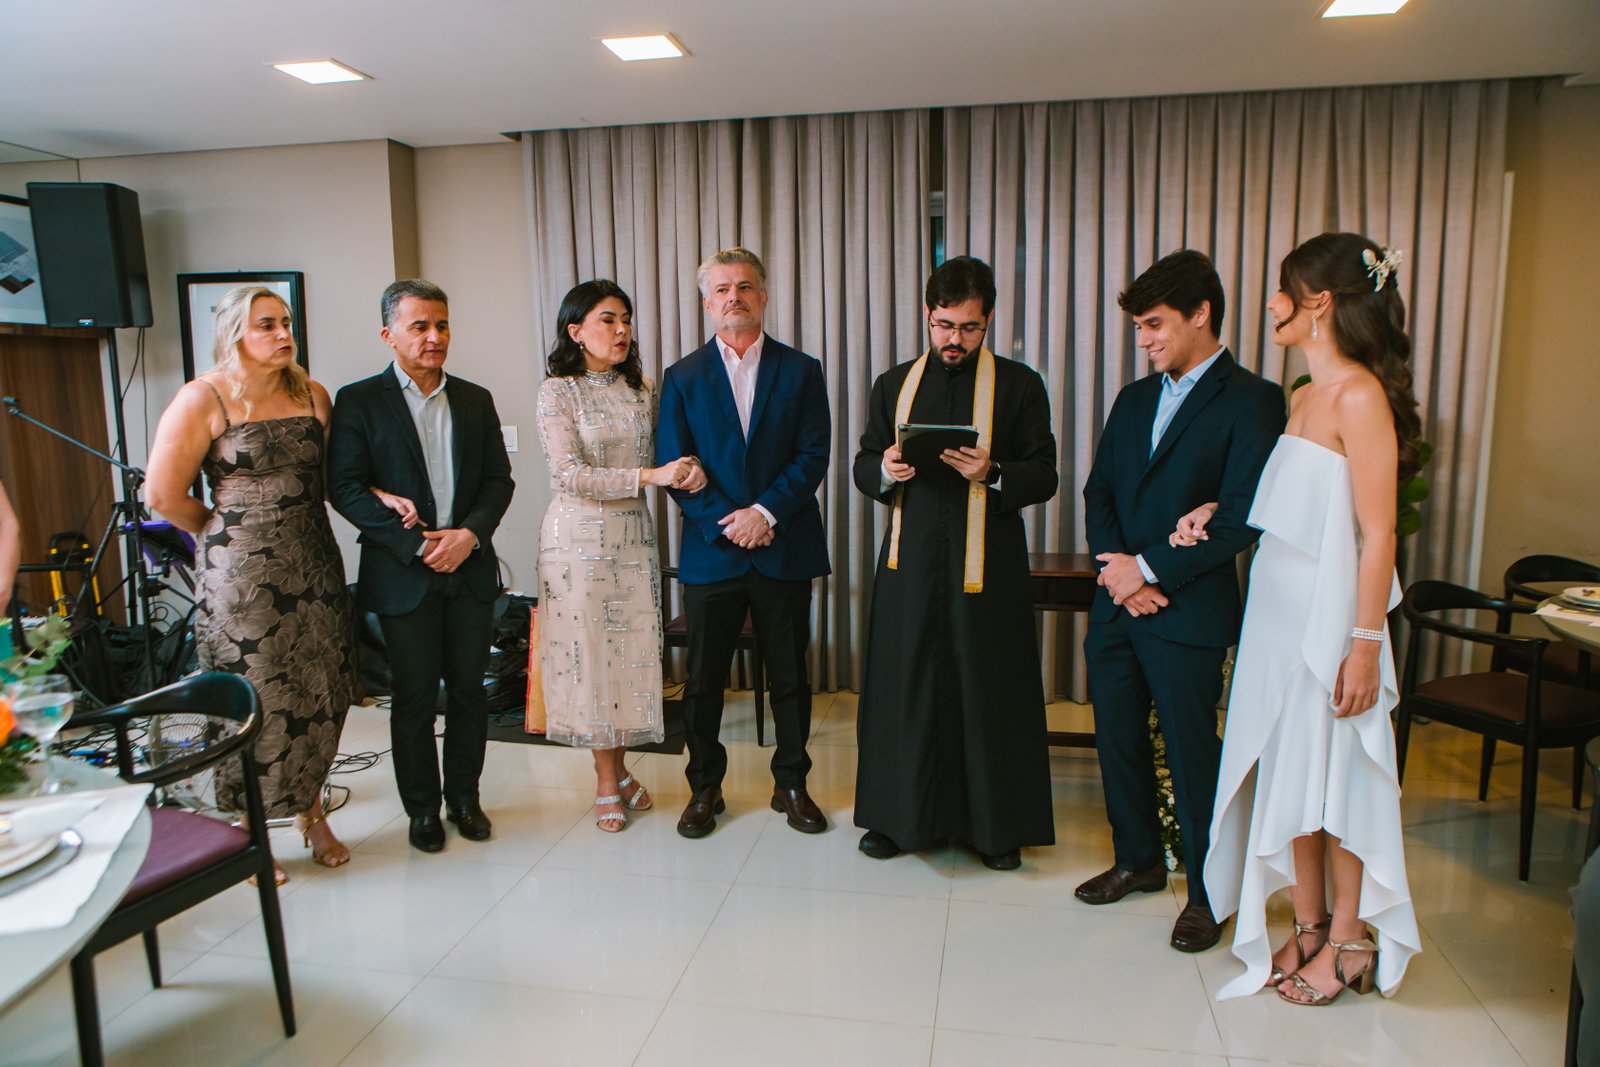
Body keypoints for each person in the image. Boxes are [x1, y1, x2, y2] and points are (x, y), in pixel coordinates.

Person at [1198, 232, 1422, 1003]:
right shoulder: (1301, 397)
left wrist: (1364, 645)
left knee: (1339, 776)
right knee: (1289, 768)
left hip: (1332, 618)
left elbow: (1379, 533)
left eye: (1283, 290)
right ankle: (1310, 919)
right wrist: (1211, 512)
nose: (1271, 304)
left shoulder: (1359, 395)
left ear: (1319, 301)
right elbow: (1296, 504)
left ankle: (1351, 938)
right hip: (1276, 613)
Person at [1079, 249, 1285, 952]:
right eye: (1139, 327)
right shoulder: (1133, 399)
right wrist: (1120, 575)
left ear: (1202, 313)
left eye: (1155, 324)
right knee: (1119, 739)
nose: (1144, 340)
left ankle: (1206, 891)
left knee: (1193, 754)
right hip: (1117, 606)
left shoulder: (1254, 399)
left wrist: (1148, 571)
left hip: (1188, 610)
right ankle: (1137, 860)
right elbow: (1100, 492)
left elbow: (1241, 517)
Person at [851, 255, 1059, 871]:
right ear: (927, 315)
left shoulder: (1020, 386)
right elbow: (863, 462)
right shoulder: (893, 383)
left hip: (987, 567)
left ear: (989, 318)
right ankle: (895, 818)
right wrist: (884, 469)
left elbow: (1045, 473)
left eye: (970, 328)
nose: (955, 340)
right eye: (944, 325)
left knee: (988, 686)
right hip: (909, 564)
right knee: (904, 685)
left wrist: (993, 471)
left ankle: (996, 828)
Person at [146, 285, 357, 883]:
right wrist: (225, 532)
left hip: (312, 560)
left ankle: (311, 810)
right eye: (267, 324)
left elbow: (334, 479)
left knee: (318, 688)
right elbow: (162, 494)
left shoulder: (313, 394)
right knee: (257, 694)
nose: (284, 333)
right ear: (235, 332)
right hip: (241, 576)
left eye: (285, 322)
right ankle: (248, 827)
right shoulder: (202, 397)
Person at [327, 279, 514, 854]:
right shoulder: (359, 401)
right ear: (389, 335)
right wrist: (415, 547)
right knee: (412, 697)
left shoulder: (475, 399)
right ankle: (422, 810)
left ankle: (465, 799)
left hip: (469, 570)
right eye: (420, 326)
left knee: (469, 693)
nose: (435, 337)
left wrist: (468, 536)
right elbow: (345, 487)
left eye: (442, 325)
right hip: (402, 575)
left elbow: (498, 481)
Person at [655, 247, 831, 839]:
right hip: (713, 549)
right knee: (705, 680)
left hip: (784, 544)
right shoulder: (682, 377)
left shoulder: (802, 371)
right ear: (707, 303)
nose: (735, 297)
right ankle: (705, 787)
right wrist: (728, 521)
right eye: (723, 289)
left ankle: (792, 784)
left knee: (791, 675)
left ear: (764, 296)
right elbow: (674, 465)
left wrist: (763, 512)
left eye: (745, 286)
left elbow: (813, 454)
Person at [535, 279, 706, 831]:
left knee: (629, 659)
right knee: (590, 661)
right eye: (608, 319)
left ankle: (621, 766)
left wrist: (687, 467)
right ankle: (607, 780)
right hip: (576, 542)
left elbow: (670, 449)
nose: (622, 329)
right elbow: (569, 473)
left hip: (632, 536)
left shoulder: (643, 388)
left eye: (626, 319)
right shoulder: (557, 392)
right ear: (575, 330)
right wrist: (651, 476)